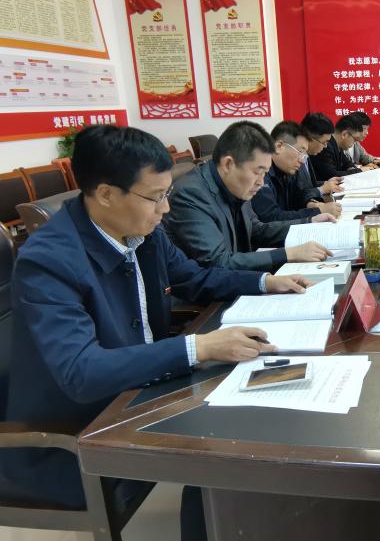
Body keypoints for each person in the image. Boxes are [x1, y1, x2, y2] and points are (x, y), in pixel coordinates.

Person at [2, 124, 312, 539]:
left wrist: (265, 282)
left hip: (137, 390)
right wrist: (198, 347)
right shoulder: (48, 261)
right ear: (106, 194)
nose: (165, 208)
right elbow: (81, 371)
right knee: (227, 447)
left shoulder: (140, 231)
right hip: (77, 429)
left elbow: (195, 278)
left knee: (264, 408)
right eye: (156, 196)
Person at [164, 121, 333, 272]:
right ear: (228, 164)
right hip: (211, 294)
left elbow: (257, 230)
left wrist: (309, 222)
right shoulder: (191, 195)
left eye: (265, 173)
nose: (261, 182)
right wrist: (288, 255)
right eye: (257, 172)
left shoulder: (235, 184)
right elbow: (219, 262)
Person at [251, 121, 342, 222]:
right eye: (300, 152)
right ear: (279, 146)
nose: (302, 161)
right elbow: (271, 217)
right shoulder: (260, 174)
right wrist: (318, 211)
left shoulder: (287, 169)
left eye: (304, 155)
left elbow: (299, 195)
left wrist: (311, 204)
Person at [308, 113, 365, 180]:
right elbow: (332, 175)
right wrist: (360, 171)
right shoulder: (326, 146)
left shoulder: (338, 145)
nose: (355, 143)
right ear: (344, 134)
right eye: (355, 140)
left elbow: (347, 163)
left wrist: (352, 168)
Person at [300, 112, 344, 196]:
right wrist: (322, 189)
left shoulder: (306, 156)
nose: (325, 146)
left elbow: (309, 185)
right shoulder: (295, 160)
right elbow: (297, 194)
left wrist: (326, 183)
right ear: (309, 138)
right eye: (324, 142)